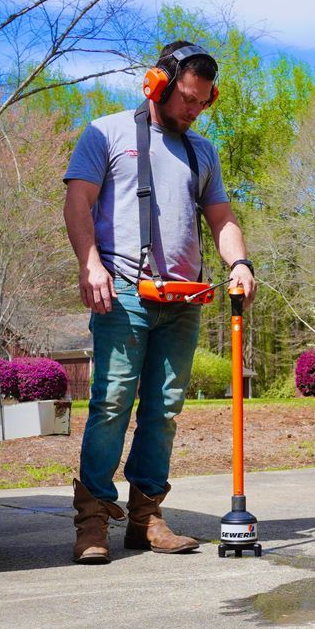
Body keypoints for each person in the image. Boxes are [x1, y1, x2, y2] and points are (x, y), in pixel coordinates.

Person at [61, 40, 257, 563]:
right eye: (187, 99)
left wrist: (239, 263)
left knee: (164, 410)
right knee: (110, 403)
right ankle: (93, 520)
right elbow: (77, 201)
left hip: (183, 299)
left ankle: (147, 517)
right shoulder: (106, 133)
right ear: (158, 85)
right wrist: (90, 263)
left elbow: (222, 220)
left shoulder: (202, 151)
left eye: (202, 101)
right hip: (123, 291)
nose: (194, 109)